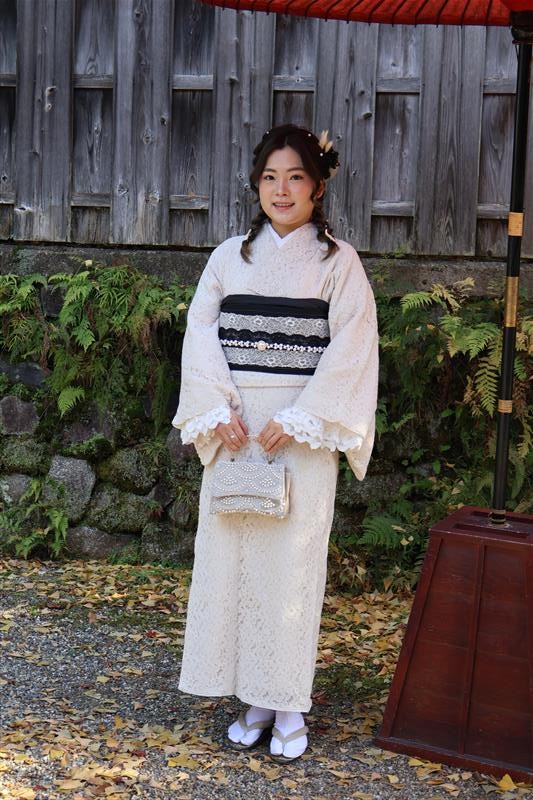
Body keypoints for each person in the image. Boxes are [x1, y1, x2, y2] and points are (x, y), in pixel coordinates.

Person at [172, 124, 379, 761]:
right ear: (256, 186)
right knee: (233, 563)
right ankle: (254, 695)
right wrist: (215, 409)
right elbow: (201, 332)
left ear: (318, 188)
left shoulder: (338, 263)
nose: (281, 190)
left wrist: (301, 416)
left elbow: (352, 348)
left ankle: (288, 701)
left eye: (295, 177)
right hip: (236, 427)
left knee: (291, 567)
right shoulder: (228, 258)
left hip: (300, 433)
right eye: (270, 177)